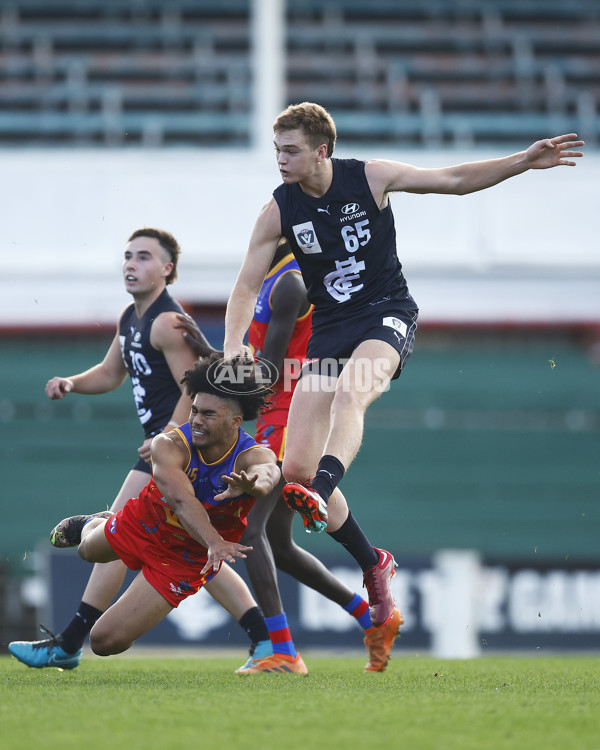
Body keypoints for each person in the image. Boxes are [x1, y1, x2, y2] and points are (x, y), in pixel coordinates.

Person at [221, 101, 585, 628]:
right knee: (293, 466)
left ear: (322, 151)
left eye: (291, 150)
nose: (281, 159)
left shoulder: (371, 178)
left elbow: (455, 179)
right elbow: (246, 283)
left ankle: (320, 492)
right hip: (331, 330)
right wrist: (235, 343)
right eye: (278, 150)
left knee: (353, 393)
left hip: (385, 315)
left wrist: (523, 161)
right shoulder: (278, 209)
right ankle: (373, 562)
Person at [8, 228, 270, 670]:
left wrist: (169, 433)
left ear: (167, 270)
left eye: (144, 257)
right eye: (128, 256)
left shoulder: (167, 321)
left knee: (128, 536)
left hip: (176, 450)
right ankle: (264, 642)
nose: (131, 264)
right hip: (165, 449)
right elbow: (111, 373)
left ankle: (69, 641)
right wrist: (73, 383)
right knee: (199, 548)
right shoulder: (130, 317)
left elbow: (197, 389)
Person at [177, 238, 402, 673]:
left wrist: (210, 363)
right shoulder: (276, 281)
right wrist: (213, 352)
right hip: (277, 416)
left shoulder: (290, 285)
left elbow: (268, 372)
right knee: (277, 544)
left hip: (285, 419)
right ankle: (370, 615)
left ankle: (282, 650)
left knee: (248, 529)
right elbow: (261, 363)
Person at [44, 357, 293, 667]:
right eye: (195, 411)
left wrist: (255, 485)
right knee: (86, 551)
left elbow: (269, 472)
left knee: (104, 642)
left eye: (209, 414)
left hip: (184, 557)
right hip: (146, 523)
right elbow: (181, 502)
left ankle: (110, 540)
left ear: (234, 422)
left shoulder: (251, 455)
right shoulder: (169, 445)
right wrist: (215, 541)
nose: (197, 420)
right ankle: (95, 523)